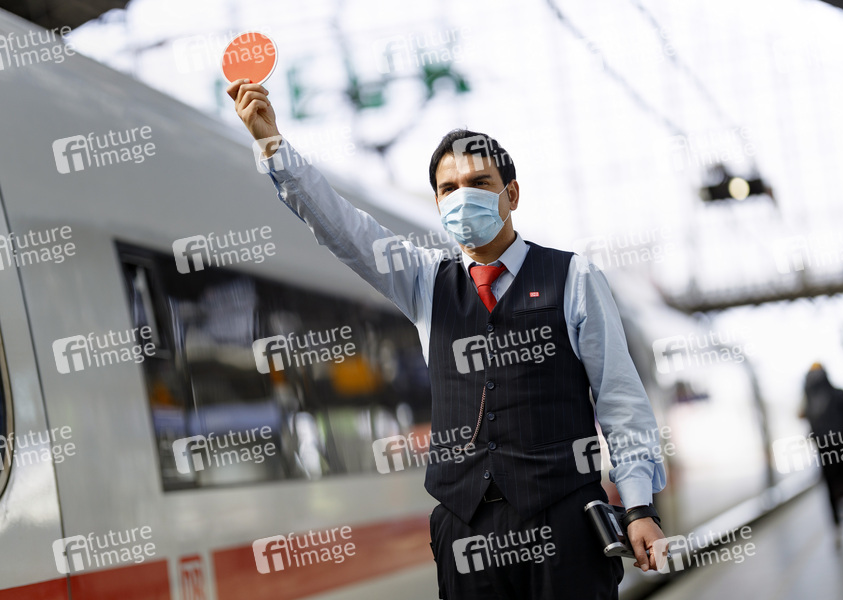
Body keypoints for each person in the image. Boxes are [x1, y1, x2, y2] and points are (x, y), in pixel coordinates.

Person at [227, 78, 667, 599]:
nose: (463, 197)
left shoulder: (574, 277)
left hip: (564, 526)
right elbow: (342, 228)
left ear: (511, 194)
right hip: (466, 532)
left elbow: (619, 398)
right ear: (437, 202)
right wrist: (273, 146)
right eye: (449, 188)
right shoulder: (423, 281)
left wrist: (638, 508)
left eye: (479, 182)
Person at [800, 363, 843, 546]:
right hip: (835, 450)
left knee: (839, 487)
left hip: (835, 450)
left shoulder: (819, 400)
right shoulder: (829, 397)